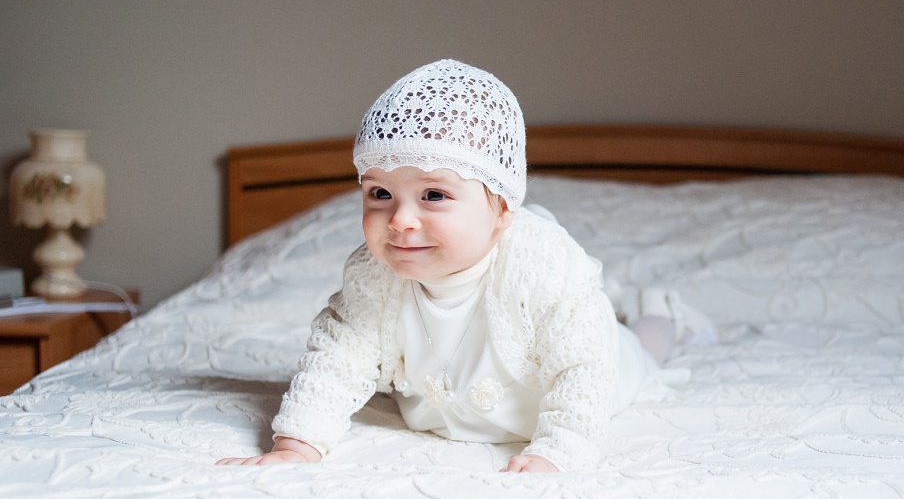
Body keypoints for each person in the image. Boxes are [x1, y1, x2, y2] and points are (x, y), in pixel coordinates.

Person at [218, 59, 698, 473]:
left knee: (639, 349)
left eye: (434, 195)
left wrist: (559, 451)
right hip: (447, 404)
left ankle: (657, 314)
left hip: (591, 363)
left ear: (503, 208)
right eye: (379, 193)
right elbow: (339, 355)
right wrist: (298, 442)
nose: (401, 220)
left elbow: (584, 366)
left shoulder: (541, 264)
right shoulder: (374, 272)